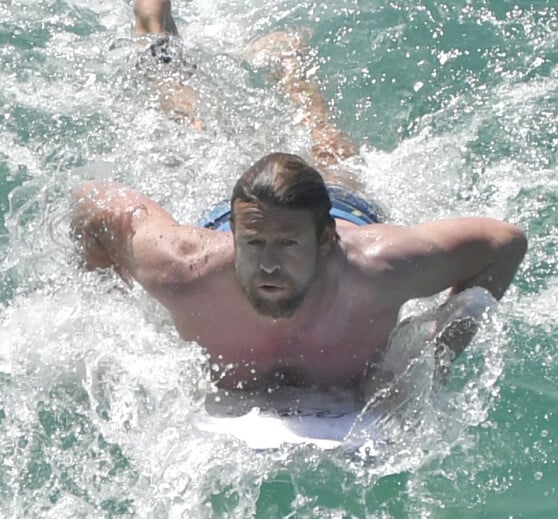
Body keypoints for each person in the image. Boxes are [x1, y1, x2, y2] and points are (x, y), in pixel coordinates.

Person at [72, 1, 527, 401]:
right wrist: (110, 319)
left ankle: (288, 63)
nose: (268, 265)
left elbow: (504, 243)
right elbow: (94, 203)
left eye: (286, 247)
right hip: (252, 211)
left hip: (341, 205)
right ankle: (153, 21)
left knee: (328, 148)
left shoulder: (381, 269)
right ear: (234, 235)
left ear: (326, 241)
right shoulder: (182, 269)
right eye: (254, 246)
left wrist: (435, 357)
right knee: (188, 125)